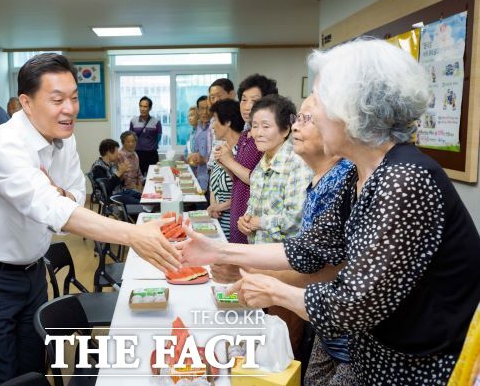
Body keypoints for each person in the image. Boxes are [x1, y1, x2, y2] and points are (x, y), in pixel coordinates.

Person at [179, 39, 480, 386]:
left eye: (318, 103)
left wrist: (272, 290)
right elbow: (309, 248)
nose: (306, 118)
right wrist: (218, 250)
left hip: (415, 370)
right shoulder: (357, 173)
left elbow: (351, 306)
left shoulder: (403, 179)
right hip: (372, 359)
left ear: (352, 110)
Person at [0, 53, 181, 386]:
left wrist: (59, 199)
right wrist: (133, 235)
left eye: (74, 98)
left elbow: (75, 195)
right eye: (57, 99)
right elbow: (55, 208)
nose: (70, 108)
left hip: (32, 273)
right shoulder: (3, 145)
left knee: (35, 367)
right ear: (26, 103)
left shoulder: (64, 137)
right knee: (1, 377)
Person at [291, 95, 355, 386]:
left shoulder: (343, 179)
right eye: (297, 118)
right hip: (326, 321)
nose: (295, 127)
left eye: (306, 119)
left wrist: (259, 277)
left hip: (351, 332)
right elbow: (308, 251)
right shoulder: (323, 176)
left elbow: (336, 266)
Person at [211, 74, 277, 282]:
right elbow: (240, 178)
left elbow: (258, 179)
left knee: (248, 278)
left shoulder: (263, 138)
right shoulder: (246, 135)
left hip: (251, 219)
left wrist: (229, 161)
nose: (247, 106)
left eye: (254, 100)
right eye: (244, 100)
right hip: (238, 211)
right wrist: (226, 162)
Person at [238, 95, 312, 245]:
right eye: (255, 126)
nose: (258, 133)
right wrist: (245, 221)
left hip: (282, 261)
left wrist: (259, 223)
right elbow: (253, 207)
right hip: (258, 255)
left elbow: (296, 220)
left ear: (285, 130)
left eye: (266, 126)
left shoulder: (297, 163)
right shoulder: (261, 165)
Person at [206, 99, 244, 239]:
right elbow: (214, 185)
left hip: (234, 225)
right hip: (218, 223)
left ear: (227, 122)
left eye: (215, 120)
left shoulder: (243, 151)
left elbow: (247, 191)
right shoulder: (222, 147)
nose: (212, 126)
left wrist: (219, 207)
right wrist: (213, 206)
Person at [91, 138, 142, 205]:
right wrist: (119, 173)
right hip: (106, 196)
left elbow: (118, 183)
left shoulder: (112, 164)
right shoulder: (98, 167)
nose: (118, 154)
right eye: (116, 151)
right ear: (109, 152)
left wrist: (122, 174)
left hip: (118, 192)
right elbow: (106, 188)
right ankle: (138, 213)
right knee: (136, 202)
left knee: (140, 196)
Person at [207, 78, 236, 170]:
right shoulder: (213, 120)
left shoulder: (239, 118)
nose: (215, 101)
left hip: (230, 172)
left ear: (231, 95)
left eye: (219, 96)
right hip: (214, 170)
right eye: (212, 97)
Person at [130, 96, 162, 175]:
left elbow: (159, 138)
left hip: (152, 155)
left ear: (150, 108)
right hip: (137, 154)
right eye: (140, 106)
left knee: (153, 177)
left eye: (145, 106)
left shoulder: (156, 122)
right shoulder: (133, 121)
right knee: (138, 179)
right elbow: (130, 138)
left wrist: (150, 146)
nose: (142, 109)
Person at [187, 95, 212, 191]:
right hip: (200, 178)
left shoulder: (214, 128)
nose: (205, 112)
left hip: (211, 180)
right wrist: (192, 156)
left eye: (208, 108)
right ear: (197, 110)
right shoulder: (198, 128)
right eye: (202, 109)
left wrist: (204, 160)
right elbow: (195, 152)